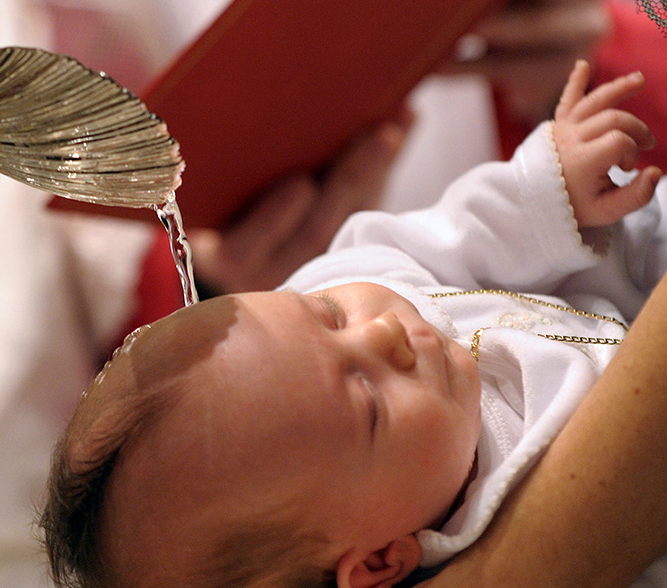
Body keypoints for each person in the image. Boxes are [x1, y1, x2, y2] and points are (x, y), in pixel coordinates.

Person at [41, 60, 667, 588]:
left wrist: (544, 189)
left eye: (329, 316)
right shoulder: (504, 537)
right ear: (377, 563)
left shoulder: (345, 285)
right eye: (368, 402)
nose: (382, 335)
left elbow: (451, 236)